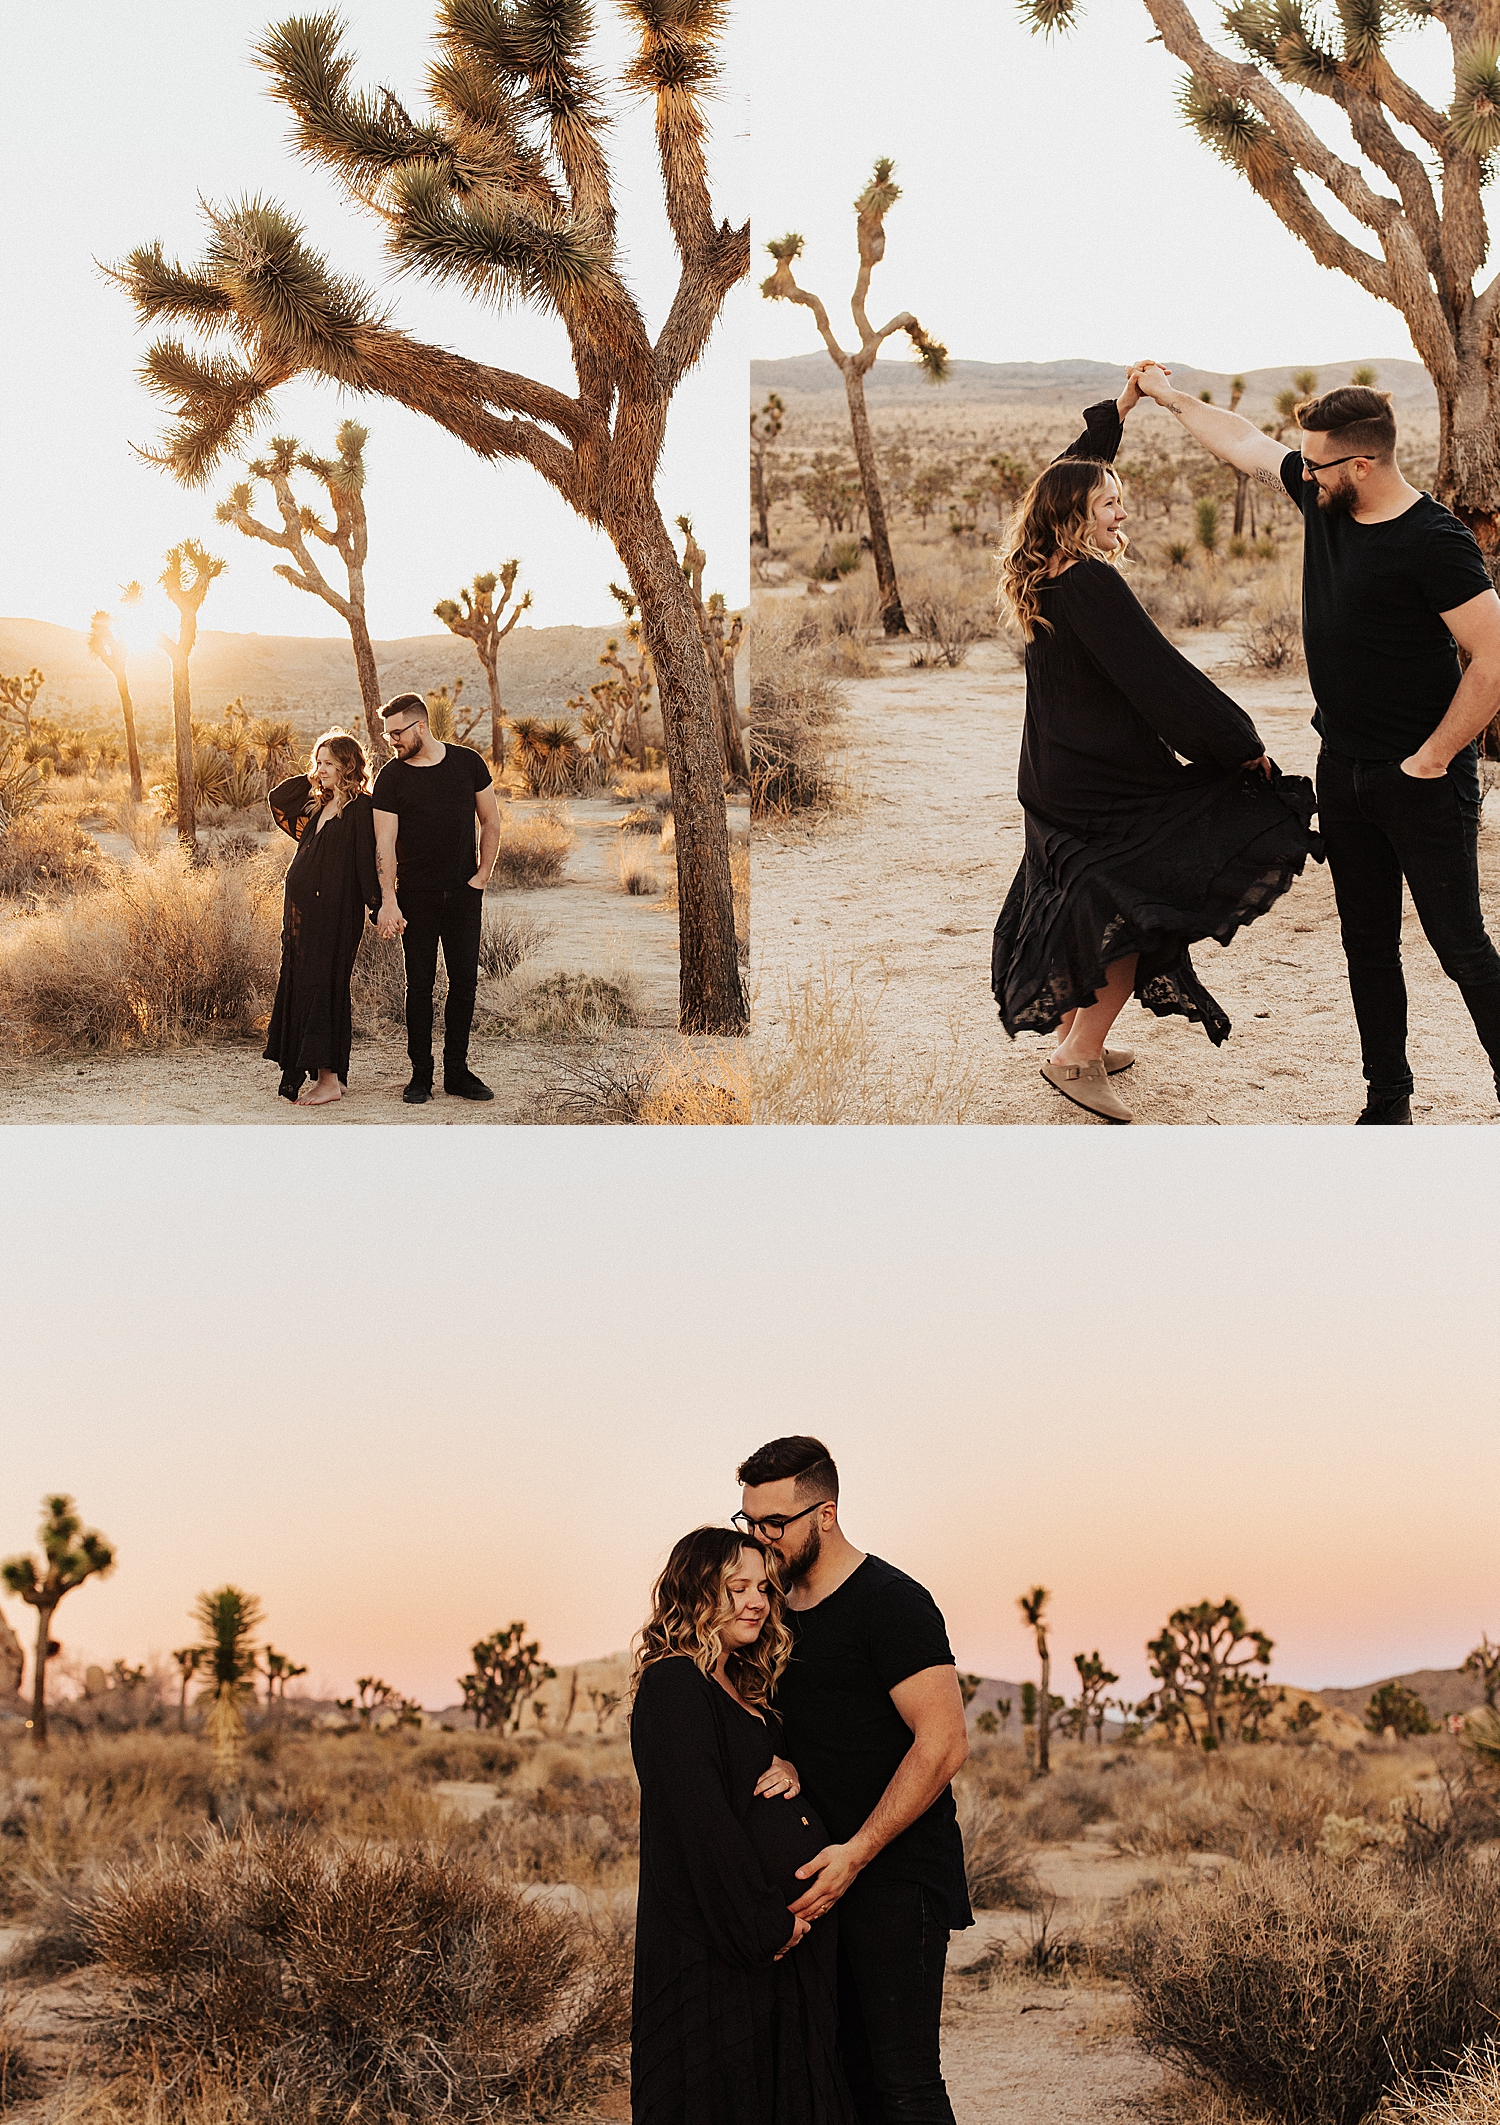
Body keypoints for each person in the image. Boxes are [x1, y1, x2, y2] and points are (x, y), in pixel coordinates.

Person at [1131, 365, 1500, 1124]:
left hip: (1423, 781)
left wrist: (1432, 758)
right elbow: (1244, 442)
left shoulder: (1434, 540)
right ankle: (1387, 1104)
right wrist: (1168, 397)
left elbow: (1494, 658)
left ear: (1361, 464)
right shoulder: (1326, 498)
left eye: (1317, 462)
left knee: (1460, 946)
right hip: (1343, 768)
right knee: (1367, 945)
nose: (1304, 473)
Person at [990, 380, 1322, 1123]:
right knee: (1137, 902)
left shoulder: (1043, 572)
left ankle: (1074, 1038)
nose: (1123, 512)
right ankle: (1077, 1058)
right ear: (1075, 516)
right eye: (1108, 503)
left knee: (1093, 898)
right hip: (1100, 782)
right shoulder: (1092, 584)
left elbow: (1059, 478)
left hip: (1054, 774)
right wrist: (1240, 746)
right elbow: (1161, 680)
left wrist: (1118, 413)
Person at [734, 1437, 970, 2125]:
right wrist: (786, 1759)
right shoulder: (773, 1612)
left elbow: (943, 1743)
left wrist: (858, 1853)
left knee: (904, 2084)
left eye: (774, 1523)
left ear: (826, 1514)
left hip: (895, 1874)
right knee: (840, 2080)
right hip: (817, 1878)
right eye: (749, 1520)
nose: (760, 1538)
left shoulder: (892, 1603)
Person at [630, 1525, 854, 2125]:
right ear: (696, 1591)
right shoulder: (674, 1683)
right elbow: (702, 1826)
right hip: (720, 1941)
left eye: (762, 1588)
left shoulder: (739, 1683)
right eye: (736, 1588)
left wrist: (789, 1764)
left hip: (770, 1942)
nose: (756, 1601)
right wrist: (767, 1923)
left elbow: (745, 1778)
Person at [371, 693, 503, 1104]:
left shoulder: (468, 763)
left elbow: (491, 820)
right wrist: (389, 900)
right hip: (416, 897)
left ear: (421, 726)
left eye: (397, 733)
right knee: (419, 987)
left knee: (464, 984)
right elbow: (384, 843)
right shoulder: (391, 777)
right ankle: (421, 1076)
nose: (392, 741)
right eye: (388, 734)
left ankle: (457, 1073)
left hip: (464, 894)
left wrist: (482, 876)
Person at [264, 730, 380, 1106]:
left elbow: (366, 861)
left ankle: (328, 1079)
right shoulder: (320, 804)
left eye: (330, 763)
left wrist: (379, 907)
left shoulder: (362, 808)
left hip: (335, 914)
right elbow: (278, 799)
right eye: (318, 762)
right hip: (303, 914)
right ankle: (330, 1075)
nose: (322, 769)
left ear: (349, 765)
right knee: (303, 983)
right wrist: (314, 776)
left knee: (324, 987)